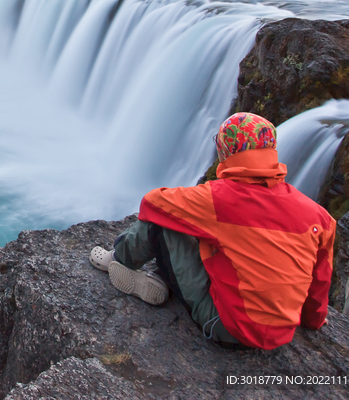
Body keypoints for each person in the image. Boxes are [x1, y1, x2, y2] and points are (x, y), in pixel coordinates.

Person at [89, 112, 335, 350]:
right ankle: (161, 279)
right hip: (281, 334)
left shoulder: (219, 199)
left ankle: (119, 258)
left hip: (226, 327)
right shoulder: (319, 216)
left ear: (226, 152)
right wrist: (314, 320)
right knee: (220, 239)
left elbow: (152, 203)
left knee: (168, 219)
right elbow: (320, 279)